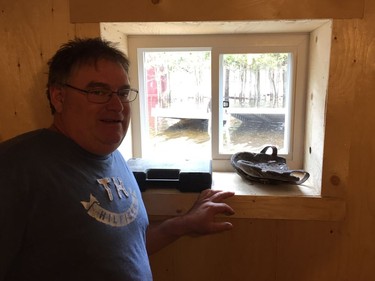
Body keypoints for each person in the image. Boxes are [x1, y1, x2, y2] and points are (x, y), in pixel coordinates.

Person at [0, 37, 235, 281]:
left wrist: (183, 224)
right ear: (59, 97)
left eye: (123, 93)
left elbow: (122, 248)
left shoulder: (113, 157)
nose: (117, 106)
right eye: (98, 92)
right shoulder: (15, 167)